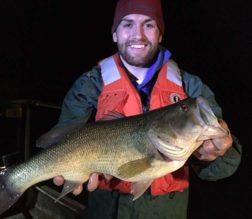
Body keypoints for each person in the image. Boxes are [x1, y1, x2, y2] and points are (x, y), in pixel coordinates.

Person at [37, 0, 242, 218]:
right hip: (106, 209)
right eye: (127, 24)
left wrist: (218, 154)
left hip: (166, 211)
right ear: (115, 34)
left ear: (160, 34)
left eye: (149, 24)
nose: (139, 35)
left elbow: (226, 165)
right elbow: (62, 138)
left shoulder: (191, 88)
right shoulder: (89, 84)